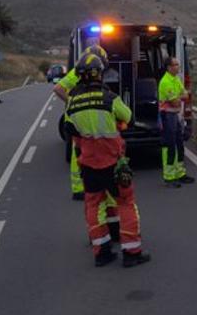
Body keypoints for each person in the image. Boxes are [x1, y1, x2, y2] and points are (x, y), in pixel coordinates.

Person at [64, 50, 150, 268]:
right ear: (100, 75)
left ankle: (101, 251)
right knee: (126, 204)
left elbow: (71, 131)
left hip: (89, 164)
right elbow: (127, 117)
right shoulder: (110, 98)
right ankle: (131, 252)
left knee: (94, 205)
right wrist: (118, 124)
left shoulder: (72, 103)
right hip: (113, 162)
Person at [158, 57, 194, 187]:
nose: (178, 67)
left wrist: (180, 97)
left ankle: (180, 173)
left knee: (179, 144)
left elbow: (186, 96)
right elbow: (177, 101)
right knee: (170, 145)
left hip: (176, 115)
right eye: (176, 65)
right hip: (167, 116)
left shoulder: (176, 79)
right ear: (169, 67)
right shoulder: (165, 82)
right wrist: (181, 97)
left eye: (178, 65)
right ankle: (169, 177)